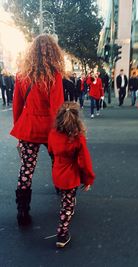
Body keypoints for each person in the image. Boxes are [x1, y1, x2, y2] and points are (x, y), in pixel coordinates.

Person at [10, 34, 65, 226]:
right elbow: (56, 107)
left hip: (29, 128)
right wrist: (61, 131)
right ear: (52, 51)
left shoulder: (22, 76)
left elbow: (17, 106)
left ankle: (22, 210)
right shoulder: (54, 75)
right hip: (49, 128)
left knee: (26, 168)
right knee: (57, 161)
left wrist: (19, 131)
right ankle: (60, 187)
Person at [48, 102, 95, 248]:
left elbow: (51, 150)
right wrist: (88, 179)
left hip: (57, 171)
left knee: (65, 195)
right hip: (71, 174)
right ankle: (62, 233)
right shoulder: (77, 138)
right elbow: (84, 161)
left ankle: (68, 203)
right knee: (67, 205)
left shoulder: (53, 134)